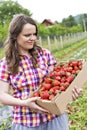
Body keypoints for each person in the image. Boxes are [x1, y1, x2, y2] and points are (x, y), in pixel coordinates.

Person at [0, 13, 82, 130]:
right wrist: (25, 103)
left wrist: (69, 94)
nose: (33, 38)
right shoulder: (6, 63)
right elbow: (2, 95)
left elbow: (58, 81)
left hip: (54, 117)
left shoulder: (44, 54)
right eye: (27, 35)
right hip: (26, 121)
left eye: (34, 34)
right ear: (15, 36)